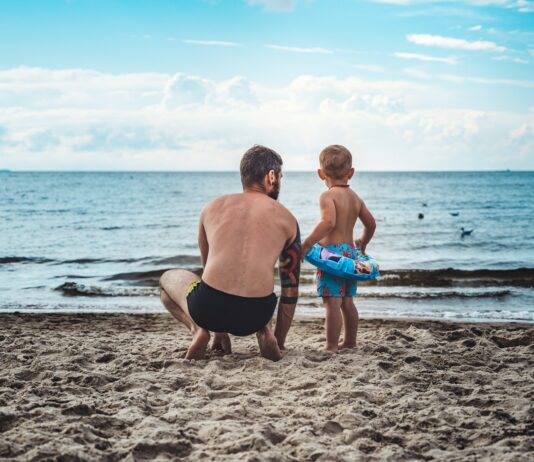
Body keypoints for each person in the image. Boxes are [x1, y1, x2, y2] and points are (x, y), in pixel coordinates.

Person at [159, 145, 301, 361]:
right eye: (281, 176)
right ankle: (266, 333)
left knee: (166, 280)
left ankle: (199, 330)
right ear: (271, 176)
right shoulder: (288, 219)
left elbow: (209, 270)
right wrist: (279, 341)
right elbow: (290, 290)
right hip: (256, 315)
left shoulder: (212, 207)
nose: (280, 182)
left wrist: (219, 330)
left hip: (209, 309)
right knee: (264, 282)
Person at [301, 145, 376, 353]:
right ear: (350, 173)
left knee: (332, 302)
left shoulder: (327, 196)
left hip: (331, 256)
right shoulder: (356, 198)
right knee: (347, 301)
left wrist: (307, 244)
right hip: (350, 256)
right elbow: (371, 224)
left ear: (320, 174)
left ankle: (332, 346)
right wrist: (362, 241)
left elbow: (328, 222)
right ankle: (350, 341)